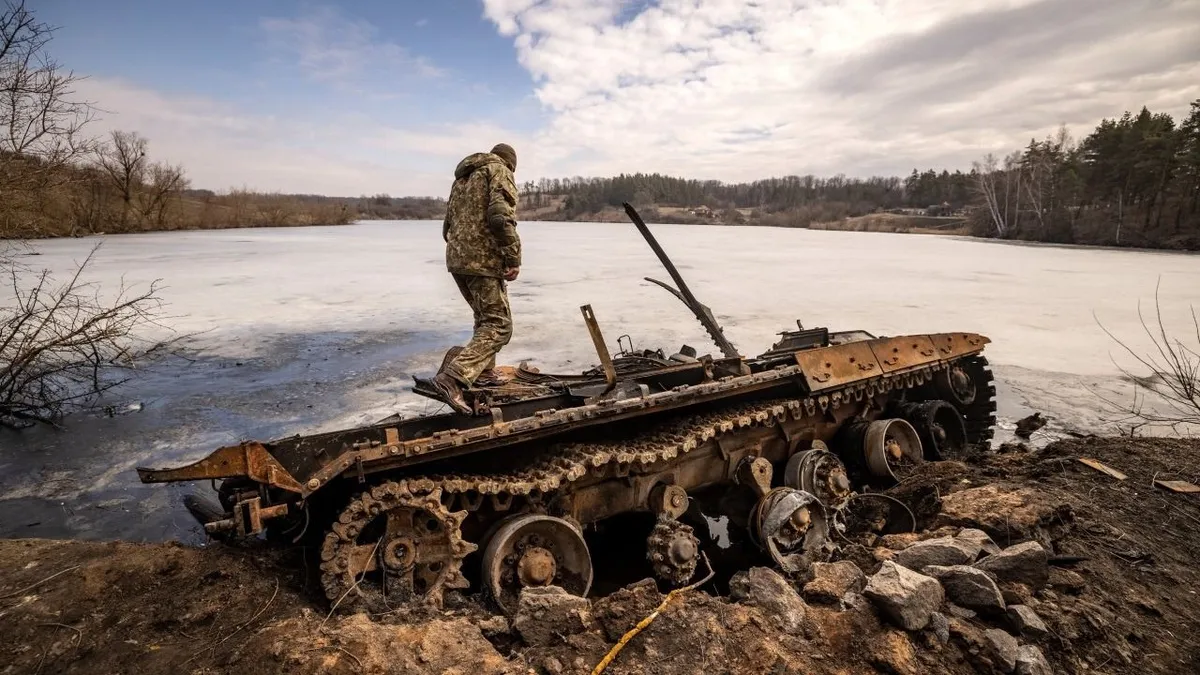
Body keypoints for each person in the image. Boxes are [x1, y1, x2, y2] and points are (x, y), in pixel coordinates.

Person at [431, 143, 521, 414]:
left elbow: (447, 225)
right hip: (482, 258)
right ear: (510, 163)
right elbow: (499, 217)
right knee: (499, 325)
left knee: (484, 318)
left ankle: (482, 372)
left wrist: (462, 251)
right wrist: (512, 256)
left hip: (457, 258)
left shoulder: (463, 178)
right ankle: (454, 377)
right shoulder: (499, 170)